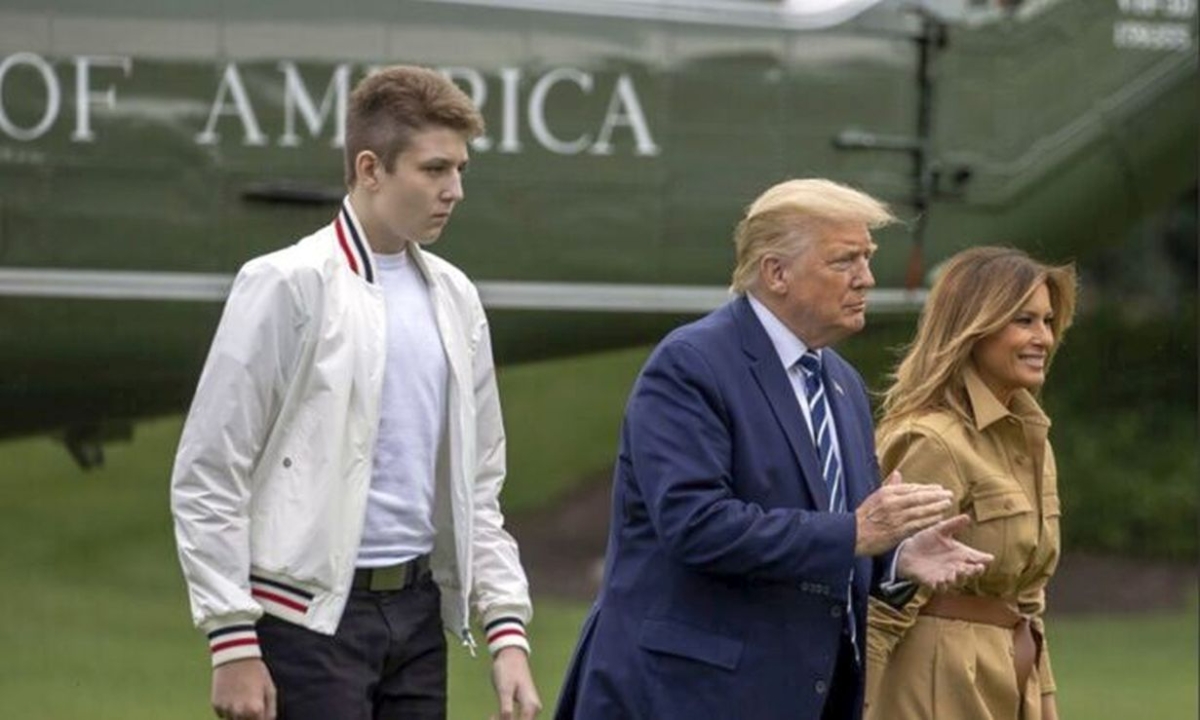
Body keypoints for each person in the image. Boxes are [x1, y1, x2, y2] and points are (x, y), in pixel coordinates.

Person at [171, 65, 541, 720]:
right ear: (370, 169)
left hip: (419, 617)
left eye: (459, 170)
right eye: (434, 170)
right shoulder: (284, 284)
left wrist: (506, 629)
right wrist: (231, 639)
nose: (453, 190)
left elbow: (478, 484)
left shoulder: (456, 298)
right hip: (302, 622)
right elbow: (209, 473)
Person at [554, 179, 993, 720]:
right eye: (845, 261)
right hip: (687, 696)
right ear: (776, 272)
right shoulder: (692, 364)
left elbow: (834, 534)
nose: (867, 279)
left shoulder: (842, 382)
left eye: (868, 257)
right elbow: (696, 525)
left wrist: (896, 559)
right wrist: (857, 532)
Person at [865, 246, 1077, 720]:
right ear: (973, 327)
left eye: (1047, 321)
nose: (1042, 336)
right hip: (933, 686)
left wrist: (1043, 702)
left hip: (1008, 677)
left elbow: (1026, 599)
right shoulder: (931, 440)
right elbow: (883, 594)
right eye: (1023, 320)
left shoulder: (1031, 437)